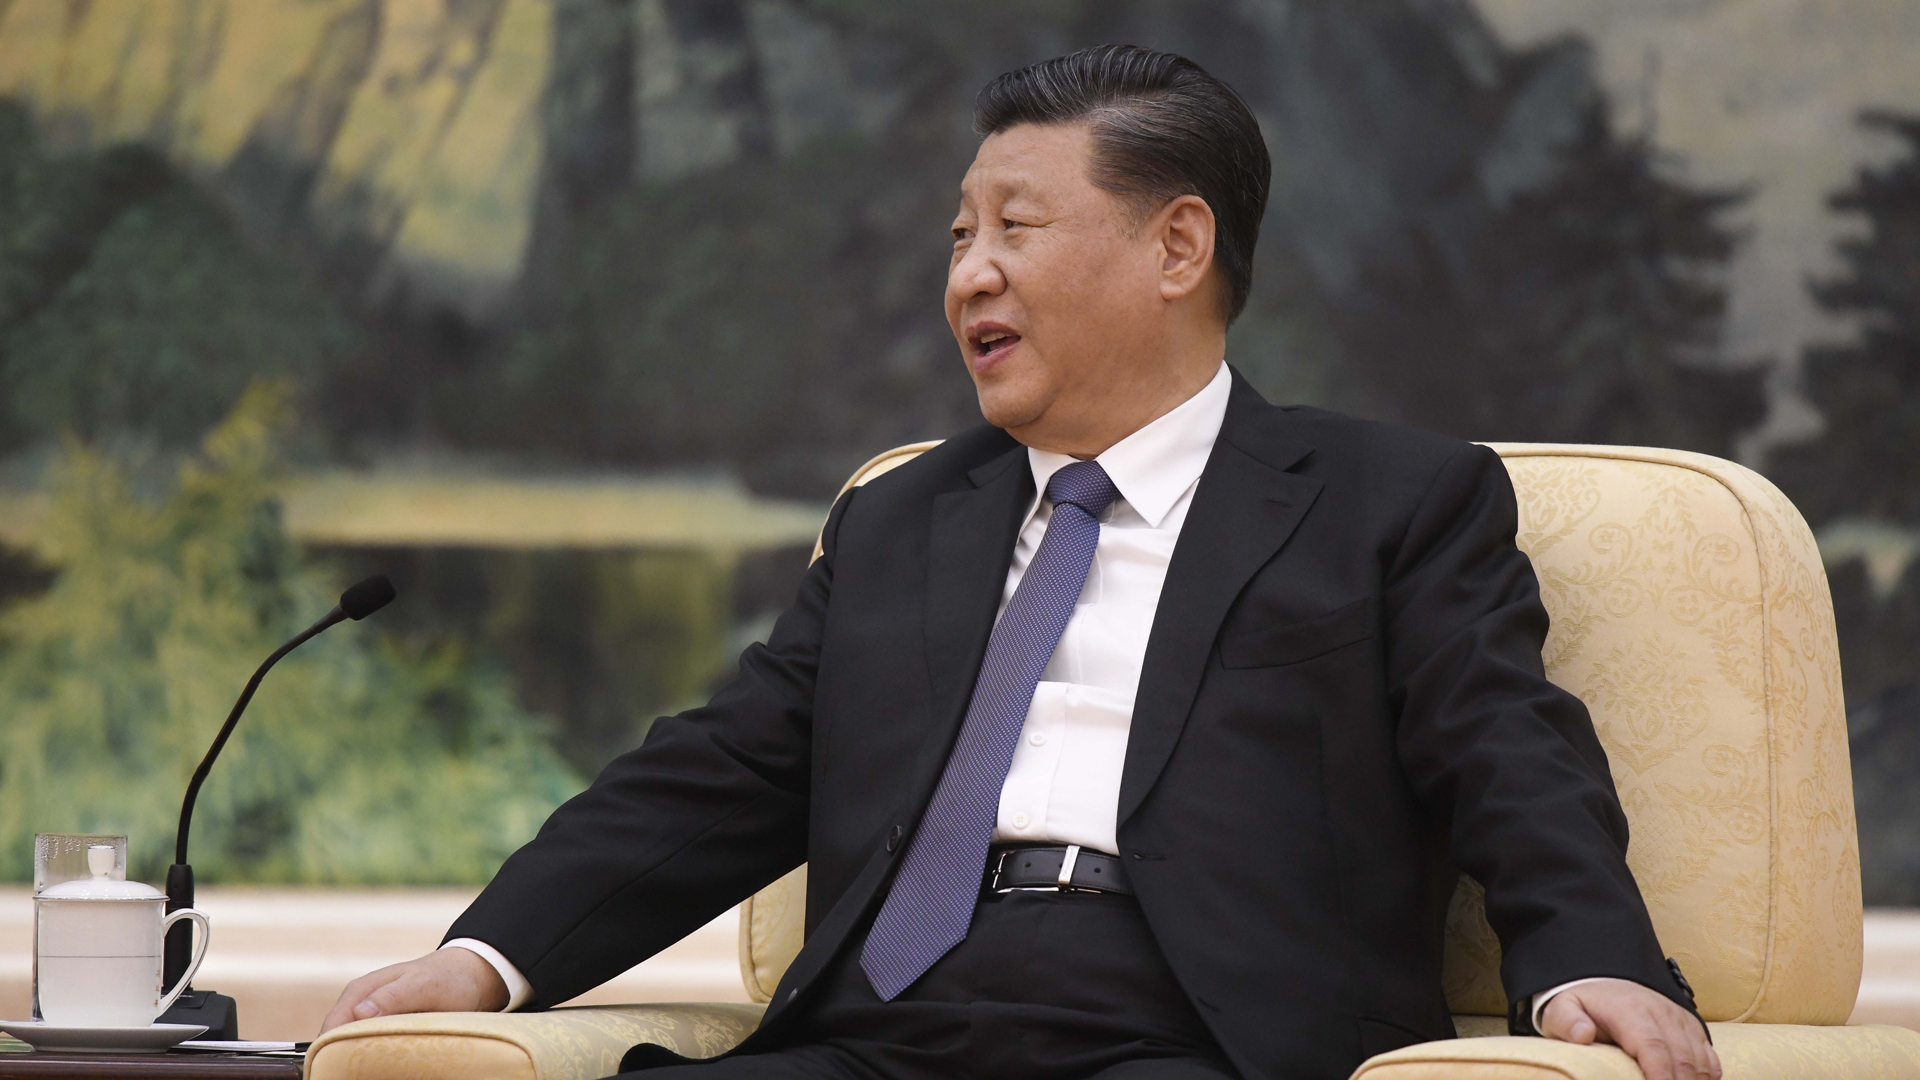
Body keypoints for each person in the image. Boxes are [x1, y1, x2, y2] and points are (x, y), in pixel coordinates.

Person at [323, 45, 1719, 1080]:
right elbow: (725, 767)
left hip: (1193, 1031)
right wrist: (485, 956)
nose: (968, 275)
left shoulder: (1387, 502)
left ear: (1179, 245)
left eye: (1014, 227)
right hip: (887, 1028)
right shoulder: (900, 521)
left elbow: (1508, 751)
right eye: (958, 237)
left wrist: (1585, 964)